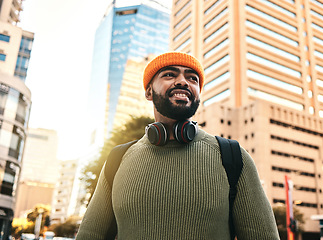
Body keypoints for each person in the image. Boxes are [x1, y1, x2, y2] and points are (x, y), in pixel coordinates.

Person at [76, 52, 280, 239]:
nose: (183, 82)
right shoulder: (117, 159)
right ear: (148, 92)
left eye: (192, 78)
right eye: (169, 75)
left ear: (197, 94)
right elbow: (90, 235)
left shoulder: (234, 157)